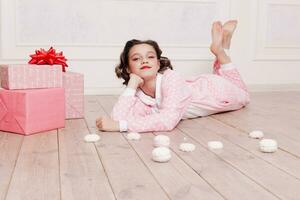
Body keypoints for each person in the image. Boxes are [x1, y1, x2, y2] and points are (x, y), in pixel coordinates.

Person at [96, 20, 250, 133]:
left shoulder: (171, 78)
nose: (144, 60)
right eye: (136, 59)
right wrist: (130, 87)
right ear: (128, 68)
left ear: (157, 63)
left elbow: (167, 120)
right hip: (200, 86)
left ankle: (221, 50)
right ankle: (222, 47)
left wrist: (120, 126)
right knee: (225, 75)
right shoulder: (138, 96)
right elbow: (116, 118)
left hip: (216, 91)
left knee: (243, 94)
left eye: (150, 57)